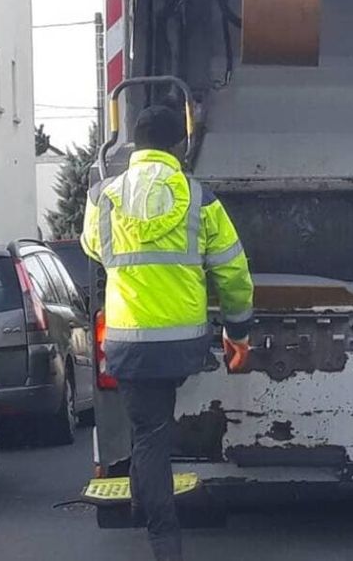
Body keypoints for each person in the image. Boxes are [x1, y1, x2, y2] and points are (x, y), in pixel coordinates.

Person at [81, 104, 254, 561]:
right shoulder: (200, 199)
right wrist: (238, 331)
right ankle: (148, 510)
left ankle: (163, 537)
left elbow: (93, 247)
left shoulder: (102, 196)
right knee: (152, 427)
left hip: (128, 342)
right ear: (180, 145)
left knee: (148, 432)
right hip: (182, 344)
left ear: (134, 145)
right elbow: (233, 271)